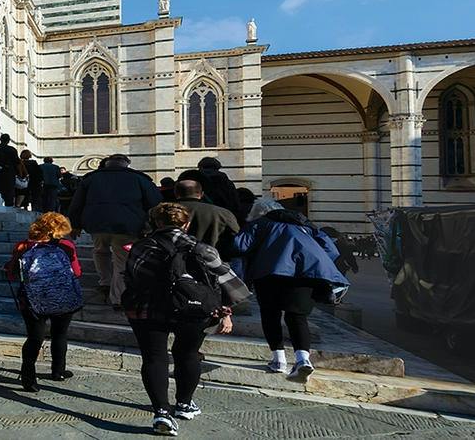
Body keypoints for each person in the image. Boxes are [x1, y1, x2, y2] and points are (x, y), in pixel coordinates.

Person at [123, 202, 248, 433]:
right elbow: (229, 284)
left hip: (148, 309)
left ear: (155, 223)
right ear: (186, 223)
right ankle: (184, 404)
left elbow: (131, 278)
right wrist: (225, 311)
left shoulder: (141, 247)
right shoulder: (203, 249)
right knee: (188, 354)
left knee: (154, 358)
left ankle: (162, 413)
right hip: (193, 309)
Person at [232, 197, 348, 380]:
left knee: (271, 315)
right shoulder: (305, 225)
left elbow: (239, 245)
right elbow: (331, 250)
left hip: (270, 273)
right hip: (306, 274)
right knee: (298, 317)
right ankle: (303, 360)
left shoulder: (260, 223)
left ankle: (278, 360)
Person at [66, 153, 161, 309]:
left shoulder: (90, 178)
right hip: (128, 227)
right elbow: (155, 203)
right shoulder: (139, 179)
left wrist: (75, 225)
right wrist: (151, 226)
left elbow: (76, 203)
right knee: (121, 261)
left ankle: (105, 282)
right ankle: (118, 298)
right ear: (127, 164)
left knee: (100, 251)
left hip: (97, 224)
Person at [5, 211, 83, 392]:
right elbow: (77, 272)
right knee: (60, 334)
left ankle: (28, 376)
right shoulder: (66, 246)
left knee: (34, 337)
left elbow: (12, 273)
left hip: (33, 299)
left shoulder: (23, 246)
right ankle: (58, 371)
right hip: (62, 297)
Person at [149, 179, 239, 254]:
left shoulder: (159, 211)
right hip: (213, 264)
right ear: (202, 194)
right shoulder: (223, 213)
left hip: (170, 264)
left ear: (175, 193)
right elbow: (235, 239)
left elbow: (147, 234)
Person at [179, 157, 245, 223]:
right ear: (217, 167)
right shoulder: (226, 182)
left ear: (200, 167)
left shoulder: (193, 177)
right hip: (222, 217)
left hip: (192, 215)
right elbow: (235, 202)